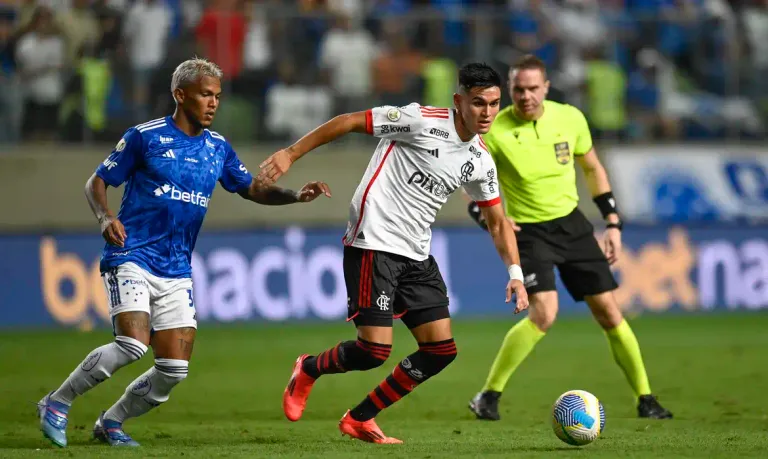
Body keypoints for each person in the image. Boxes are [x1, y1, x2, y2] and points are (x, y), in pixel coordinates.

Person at [36, 58, 331, 448]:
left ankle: (111, 422)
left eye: (217, 96)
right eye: (205, 94)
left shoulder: (218, 147)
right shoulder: (145, 137)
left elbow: (251, 188)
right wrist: (105, 218)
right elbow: (97, 182)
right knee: (132, 345)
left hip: (176, 268)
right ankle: (56, 402)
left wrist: (295, 196)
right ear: (180, 94)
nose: (213, 103)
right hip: (133, 254)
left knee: (173, 370)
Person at [257, 63, 530, 444]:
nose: (487, 113)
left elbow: (499, 221)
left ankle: (359, 418)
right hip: (374, 242)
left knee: (440, 350)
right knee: (373, 350)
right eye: (478, 103)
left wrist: (515, 274)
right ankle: (309, 368)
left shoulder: (481, 160)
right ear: (459, 100)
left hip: (416, 254)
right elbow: (350, 120)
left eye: (494, 104)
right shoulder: (419, 120)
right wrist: (291, 154)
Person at [466, 55, 673, 421]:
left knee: (610, 313)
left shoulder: (570, 118)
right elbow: (471, 186)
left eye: (533, 88)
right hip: (528, 233)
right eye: (518, 89)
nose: (526, 96)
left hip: (572, 226)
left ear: (546, 88)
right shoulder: (494, 131)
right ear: (510, 90)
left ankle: (646, 398)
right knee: (544, 313)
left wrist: (612, 222)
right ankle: (488, 395)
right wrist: (488, 220)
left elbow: (592, 168)